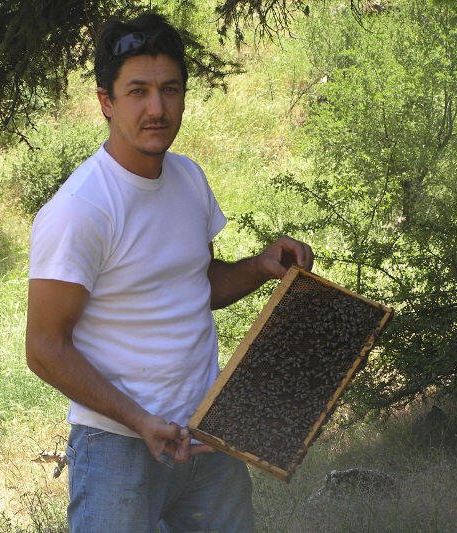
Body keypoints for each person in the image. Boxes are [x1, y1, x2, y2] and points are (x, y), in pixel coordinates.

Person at [25, 12, 314, 532]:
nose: (156, 108)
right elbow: (44, 347)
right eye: (137, 91)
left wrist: (259, 267)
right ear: (105, 101)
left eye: (170, 89)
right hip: (117, 448)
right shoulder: (81, 210)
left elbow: (195, 285)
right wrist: (140, 421)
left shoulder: (188, 179)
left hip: (208, 435)